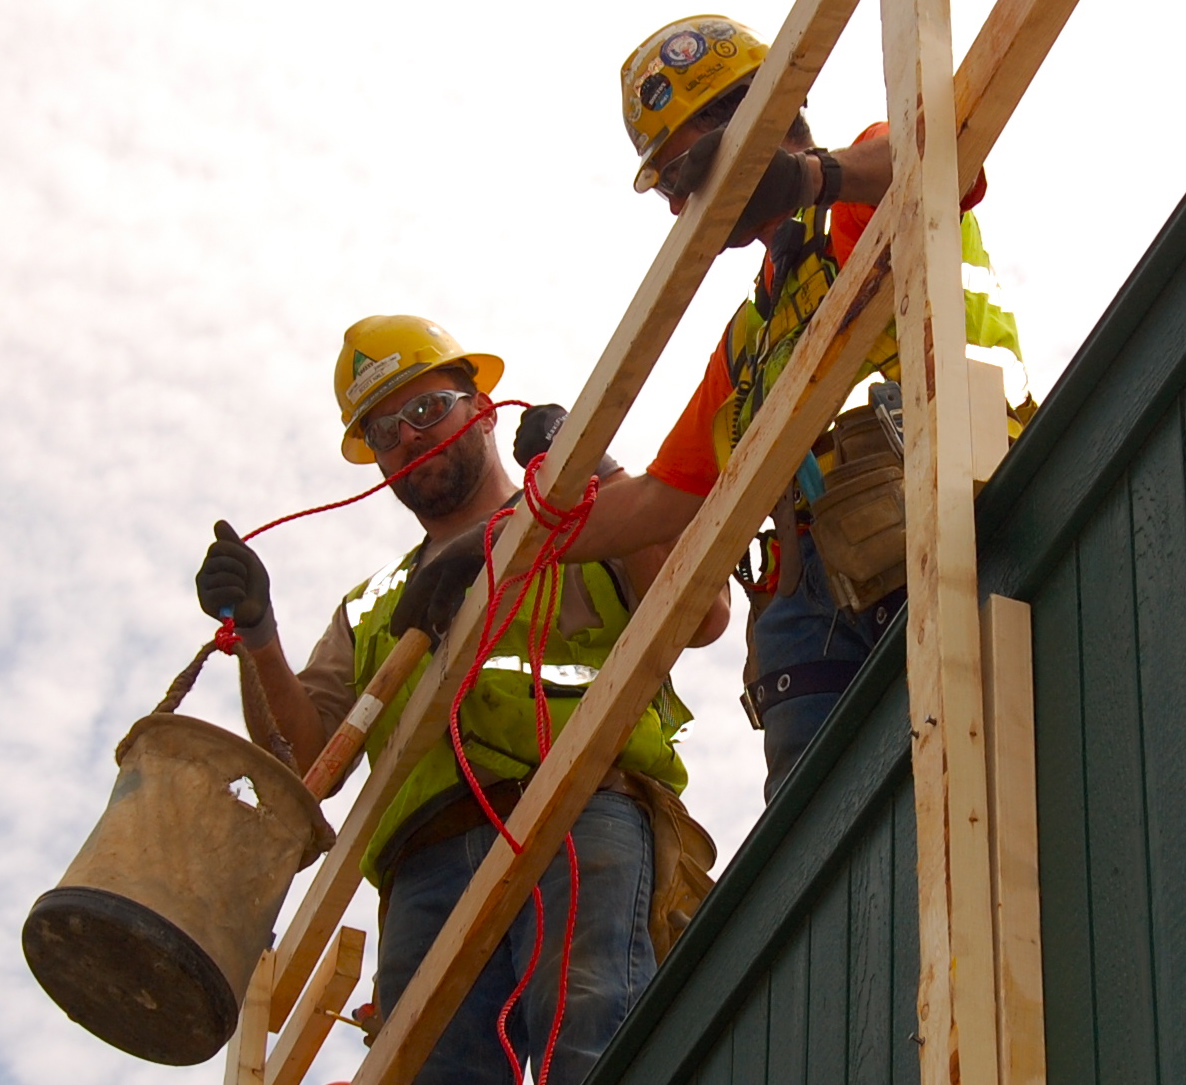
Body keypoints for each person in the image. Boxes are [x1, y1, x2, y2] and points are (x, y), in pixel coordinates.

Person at [195, 314, 728, 1085]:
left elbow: (700, 613)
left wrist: (590, 467)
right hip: (425, 861)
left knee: (595, 1040)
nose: (408, 438)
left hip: (574, 809)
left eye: (425, 409)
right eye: (383, 431)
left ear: (482, 409)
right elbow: (309, 756)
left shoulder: (576, 518)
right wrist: (258, 635)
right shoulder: (376, 602)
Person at [514, 16, 1030, 802]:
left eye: (684, 172)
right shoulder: (751, 337)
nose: (682, 204)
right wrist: (513, 541)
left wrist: (811, 178)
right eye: (672, 188)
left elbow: (946, 151)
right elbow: (662, 499)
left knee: (984, 767)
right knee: (824, 831)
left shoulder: (862, 186)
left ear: (752, 115)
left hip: (951, 498)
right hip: (813, 598)